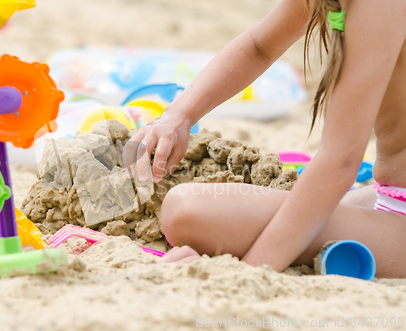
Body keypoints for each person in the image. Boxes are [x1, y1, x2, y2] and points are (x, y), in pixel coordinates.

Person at [123, 0, 406, 278]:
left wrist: (245, 272)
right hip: (389, 195)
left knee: (185, 210)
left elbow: (340, 162)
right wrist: (179, 115)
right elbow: (260, 46)